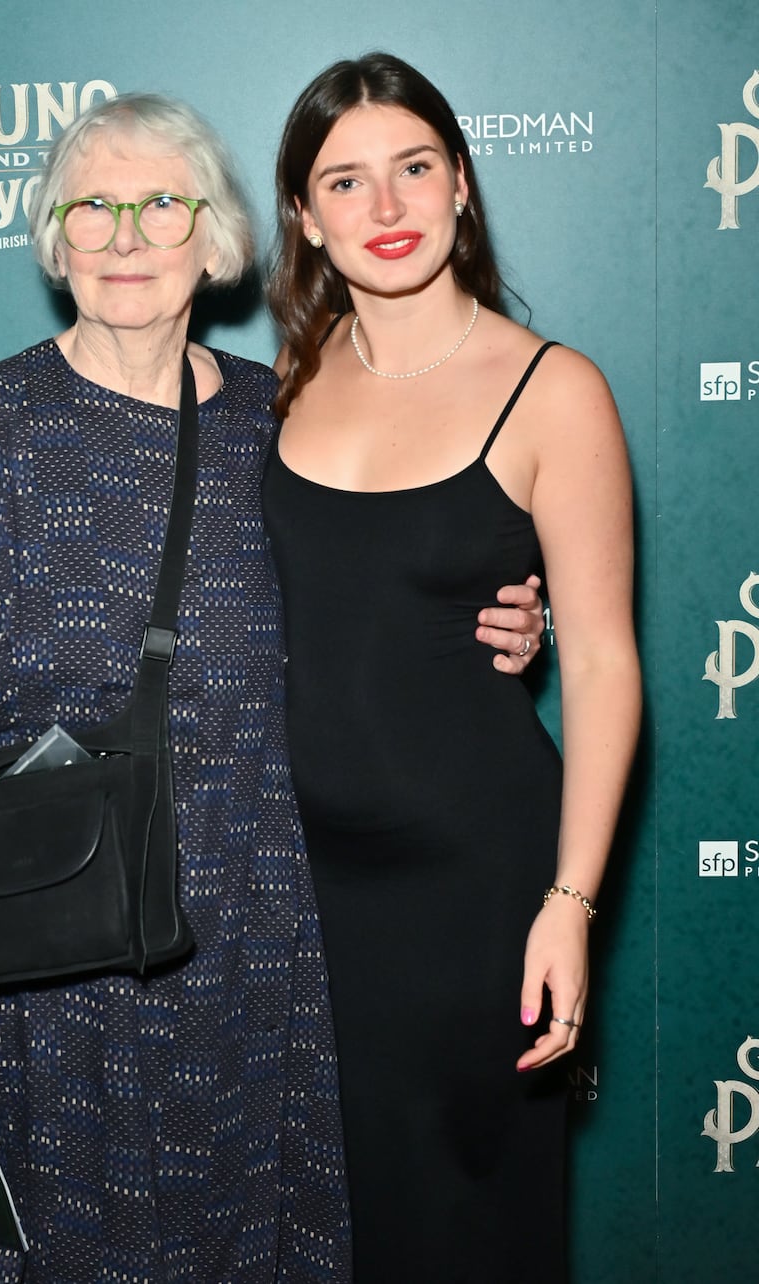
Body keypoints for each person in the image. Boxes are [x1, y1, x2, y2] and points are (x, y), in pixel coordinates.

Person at [0, 91, 543, 1282]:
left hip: (247, 988)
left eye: (160, 204)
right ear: (53, 237)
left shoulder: (283, 426)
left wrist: (501, 615)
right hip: (24, 1002)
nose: (126, 236)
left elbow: (379, 604)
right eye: (91, 207)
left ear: (218, 234)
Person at [262, 53, 641, 1284]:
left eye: (413, 168)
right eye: (347, 181)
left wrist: (571, 907)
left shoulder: (553, 390)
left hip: (482, 893)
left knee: (476, 1229)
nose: (386, 209)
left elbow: (597, 660)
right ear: (305, 220)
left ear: (461, 185)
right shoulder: (276, 388)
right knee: (332, 1232)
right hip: (301, 903)